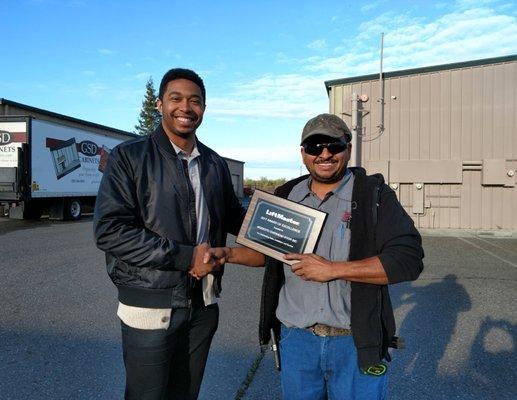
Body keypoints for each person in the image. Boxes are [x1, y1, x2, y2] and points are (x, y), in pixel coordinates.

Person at [203, 113, 424, 400]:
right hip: (297, 341)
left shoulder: (374, 195)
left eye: (334, 146)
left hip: (354, 342)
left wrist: (334, 269)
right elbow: (271, 256)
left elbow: (408, 259)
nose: (325, 154)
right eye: (315, 147)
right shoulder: (286, 195)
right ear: (303, 153)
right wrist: (228, 253)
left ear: (348, 147)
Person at [93, 68, 246, 400]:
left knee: (186, 393)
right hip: (151, 304)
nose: (186, 108)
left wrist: (287, 227)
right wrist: (186, 256)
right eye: (176, 99)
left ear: (204, 108)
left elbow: (237, 218)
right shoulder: (129, 157)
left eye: (195, 101)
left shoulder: (214, 163)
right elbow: (110, 231)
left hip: (203, 302)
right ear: (160, 104)